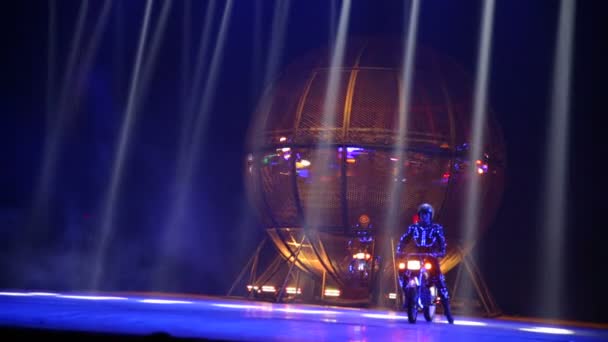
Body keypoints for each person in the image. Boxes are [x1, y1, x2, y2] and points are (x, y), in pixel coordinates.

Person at [396, 203, 454, 324]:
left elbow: (442, 241)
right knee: (403, 271)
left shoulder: (436, 228)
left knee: (439, 280)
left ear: (430, 215)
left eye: (427, 214)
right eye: (422, 214)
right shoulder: (413, 227)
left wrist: (441, 251)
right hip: (417, 255)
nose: (424, 216)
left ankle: (448, 311)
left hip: (431, 256)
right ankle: (408, 294)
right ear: (419, 215)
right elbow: (404, 239)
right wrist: (399, 250)